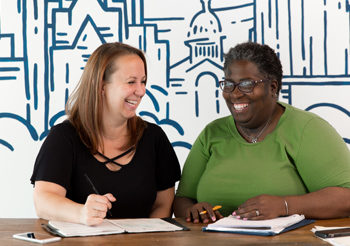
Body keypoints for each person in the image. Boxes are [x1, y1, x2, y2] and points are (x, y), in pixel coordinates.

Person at [174, 41, 350, 223]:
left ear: (273, 87)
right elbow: (182, 200)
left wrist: (284, 205)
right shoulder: (212, 134)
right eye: (229, 84)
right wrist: (194, 211)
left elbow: (346, 199)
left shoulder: (307, 129)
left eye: (247, 84)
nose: (235, 94)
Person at [31, 42, 181, 226]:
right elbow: (44, 201)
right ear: (101, 85)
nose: (141, 91)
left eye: (143, 81)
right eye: (131, 82)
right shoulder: (64, 137)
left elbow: (163, 205)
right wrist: (81, 213)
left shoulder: (154, 138)